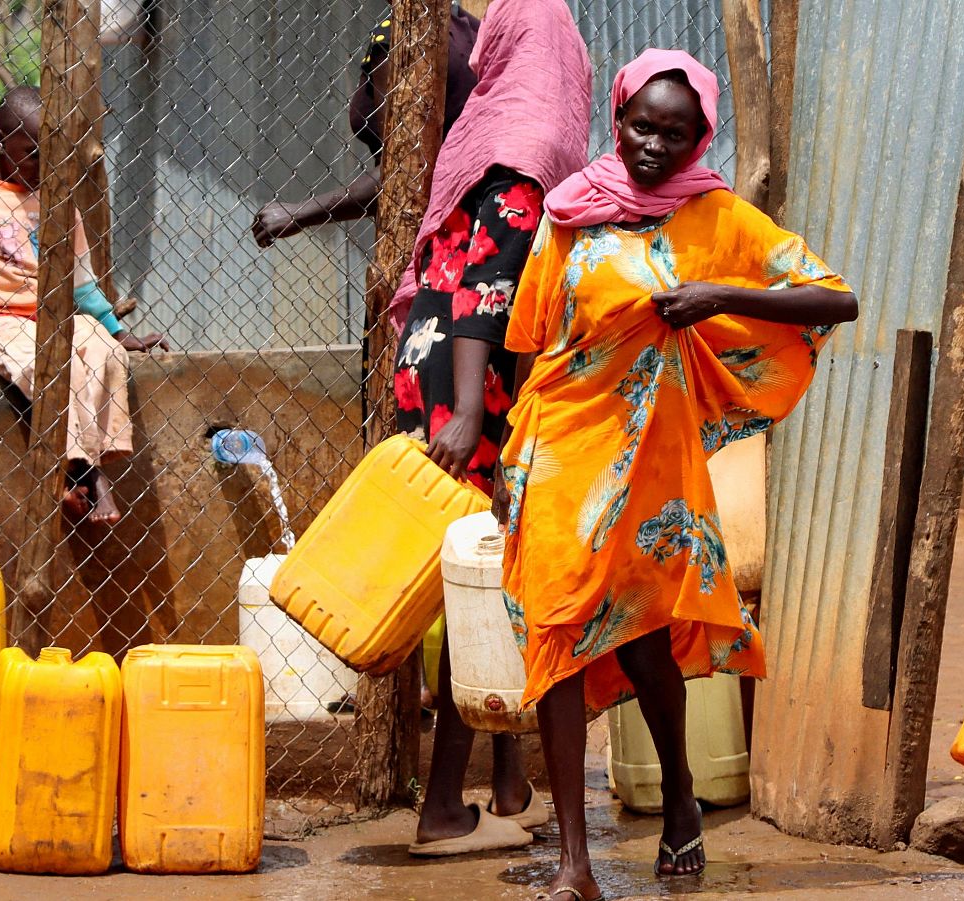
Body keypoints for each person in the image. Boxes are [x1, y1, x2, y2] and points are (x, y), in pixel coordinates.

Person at [501, 50, 856, 899]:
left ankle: (681, 794)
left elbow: (833, 298)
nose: (653, 144)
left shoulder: (719, 217)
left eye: (675, 131)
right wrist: (513, 459)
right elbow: (530, 339)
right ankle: (574, 864)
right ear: (615, 116)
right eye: (639, 125)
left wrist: (717, 296)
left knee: (647, 636)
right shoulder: (570, 211)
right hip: (558, 449)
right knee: (553, 635)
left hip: (651, 461)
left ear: (701, 136)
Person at [394, 0, 591, 858]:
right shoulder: (532, 148)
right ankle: (443, 806)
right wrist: (475, 411)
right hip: (473, 389)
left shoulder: (490, 126)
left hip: (436, 367)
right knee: (487, 585)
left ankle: (509, 785)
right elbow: (491, 290)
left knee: (494, 575)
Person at [0, 85, 166, 526]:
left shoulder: (57, 197)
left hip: (57, 316)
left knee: (104, 354)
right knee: (47, 366)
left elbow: (82, 278)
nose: (41, 165)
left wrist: (114, 329)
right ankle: (88, 473)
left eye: (51, 154)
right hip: (0, 318)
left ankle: (85, 467)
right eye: (31, 153)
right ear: (0, 142)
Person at [249, 0, 480, 247]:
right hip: (485, 221)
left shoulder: (401, 34)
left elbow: (403, 173)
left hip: (442, 238)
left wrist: (299, 213)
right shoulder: (474, 31)